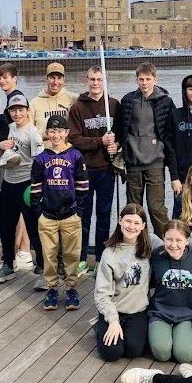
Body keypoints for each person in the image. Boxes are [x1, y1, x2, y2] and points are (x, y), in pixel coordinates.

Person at [30, 114, 88, 311]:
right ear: (47, 133)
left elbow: (82, 186)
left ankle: (72, 288)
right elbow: (35, 188)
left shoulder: (76, 156)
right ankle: (52, 288)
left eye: (60, 131)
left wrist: (78, 210)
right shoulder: (41, 159)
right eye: (52, 131)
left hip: (70, 214)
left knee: (72, 254)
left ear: (67, 133)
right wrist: (38, 211)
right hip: (47, 215)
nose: (56, 135)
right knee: (49, 255)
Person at [68, 65, 122, 275]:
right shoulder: (78, 108)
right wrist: (99, 141)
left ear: (104, 80)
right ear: (86, 80)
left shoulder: (114, 105)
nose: (95, 83)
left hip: (106, 169)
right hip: (84, 170)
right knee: (83, 216)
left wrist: (116, 145)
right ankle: (82, 258)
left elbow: (121, 134)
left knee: (104, 216)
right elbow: (73, 139)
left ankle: (101, 257)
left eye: (99, 79)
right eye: (92, 79)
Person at [93, 204, 163, 362]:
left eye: (137, 223)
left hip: (137, 310)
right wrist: (113, 321)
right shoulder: (109, 253)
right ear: (120, 221)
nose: (132, 226)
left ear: (143, 226)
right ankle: (102, 326)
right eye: (128, 221)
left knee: (134, 350)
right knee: (112, 353)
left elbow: (173, 247)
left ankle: (127, 332)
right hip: (114, 309)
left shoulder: (151, 242)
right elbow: (102, 294)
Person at [0, 95, 44, 284]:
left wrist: (36, 187)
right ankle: (8, 264)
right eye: (13, 110)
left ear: (28, 111)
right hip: (8, 183)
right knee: (6, 226)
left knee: (33, 227)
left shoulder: (33, 132)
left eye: (21, 110)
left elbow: (40, 161)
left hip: (26, 183)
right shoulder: (10, 128)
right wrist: (1, 146)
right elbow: (6, 152)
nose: (17, 113)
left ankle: (43, 268)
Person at [120, 62, 175, 238]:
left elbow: (170, 132)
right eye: (141, 79)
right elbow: (121, 127)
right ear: (136, 80)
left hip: (155, 162)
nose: (144, 83)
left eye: (148, 79)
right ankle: (135, 244)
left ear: (155, 79)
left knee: (156, 208)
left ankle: (165, 244)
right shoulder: (128, 100)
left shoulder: (165, 101)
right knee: (134, 210)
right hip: (133, 162)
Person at [148, 219, 192, 363]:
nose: (173, 245)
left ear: (187, 240)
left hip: (187, 314)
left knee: (184, 356)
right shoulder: (156, 256)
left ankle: (181, 338)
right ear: (163, 239)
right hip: (160, 312)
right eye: (169, 239)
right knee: (162, 354)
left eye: (179, 240)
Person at [29, 62, 78, 142]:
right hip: (44, 152)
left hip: (68, 151)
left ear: (64, 79)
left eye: (59, 78)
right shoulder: (34, 104)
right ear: (46, 78)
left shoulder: (74, 99)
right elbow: (29, 133)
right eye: (52, 77)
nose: (55, 82)